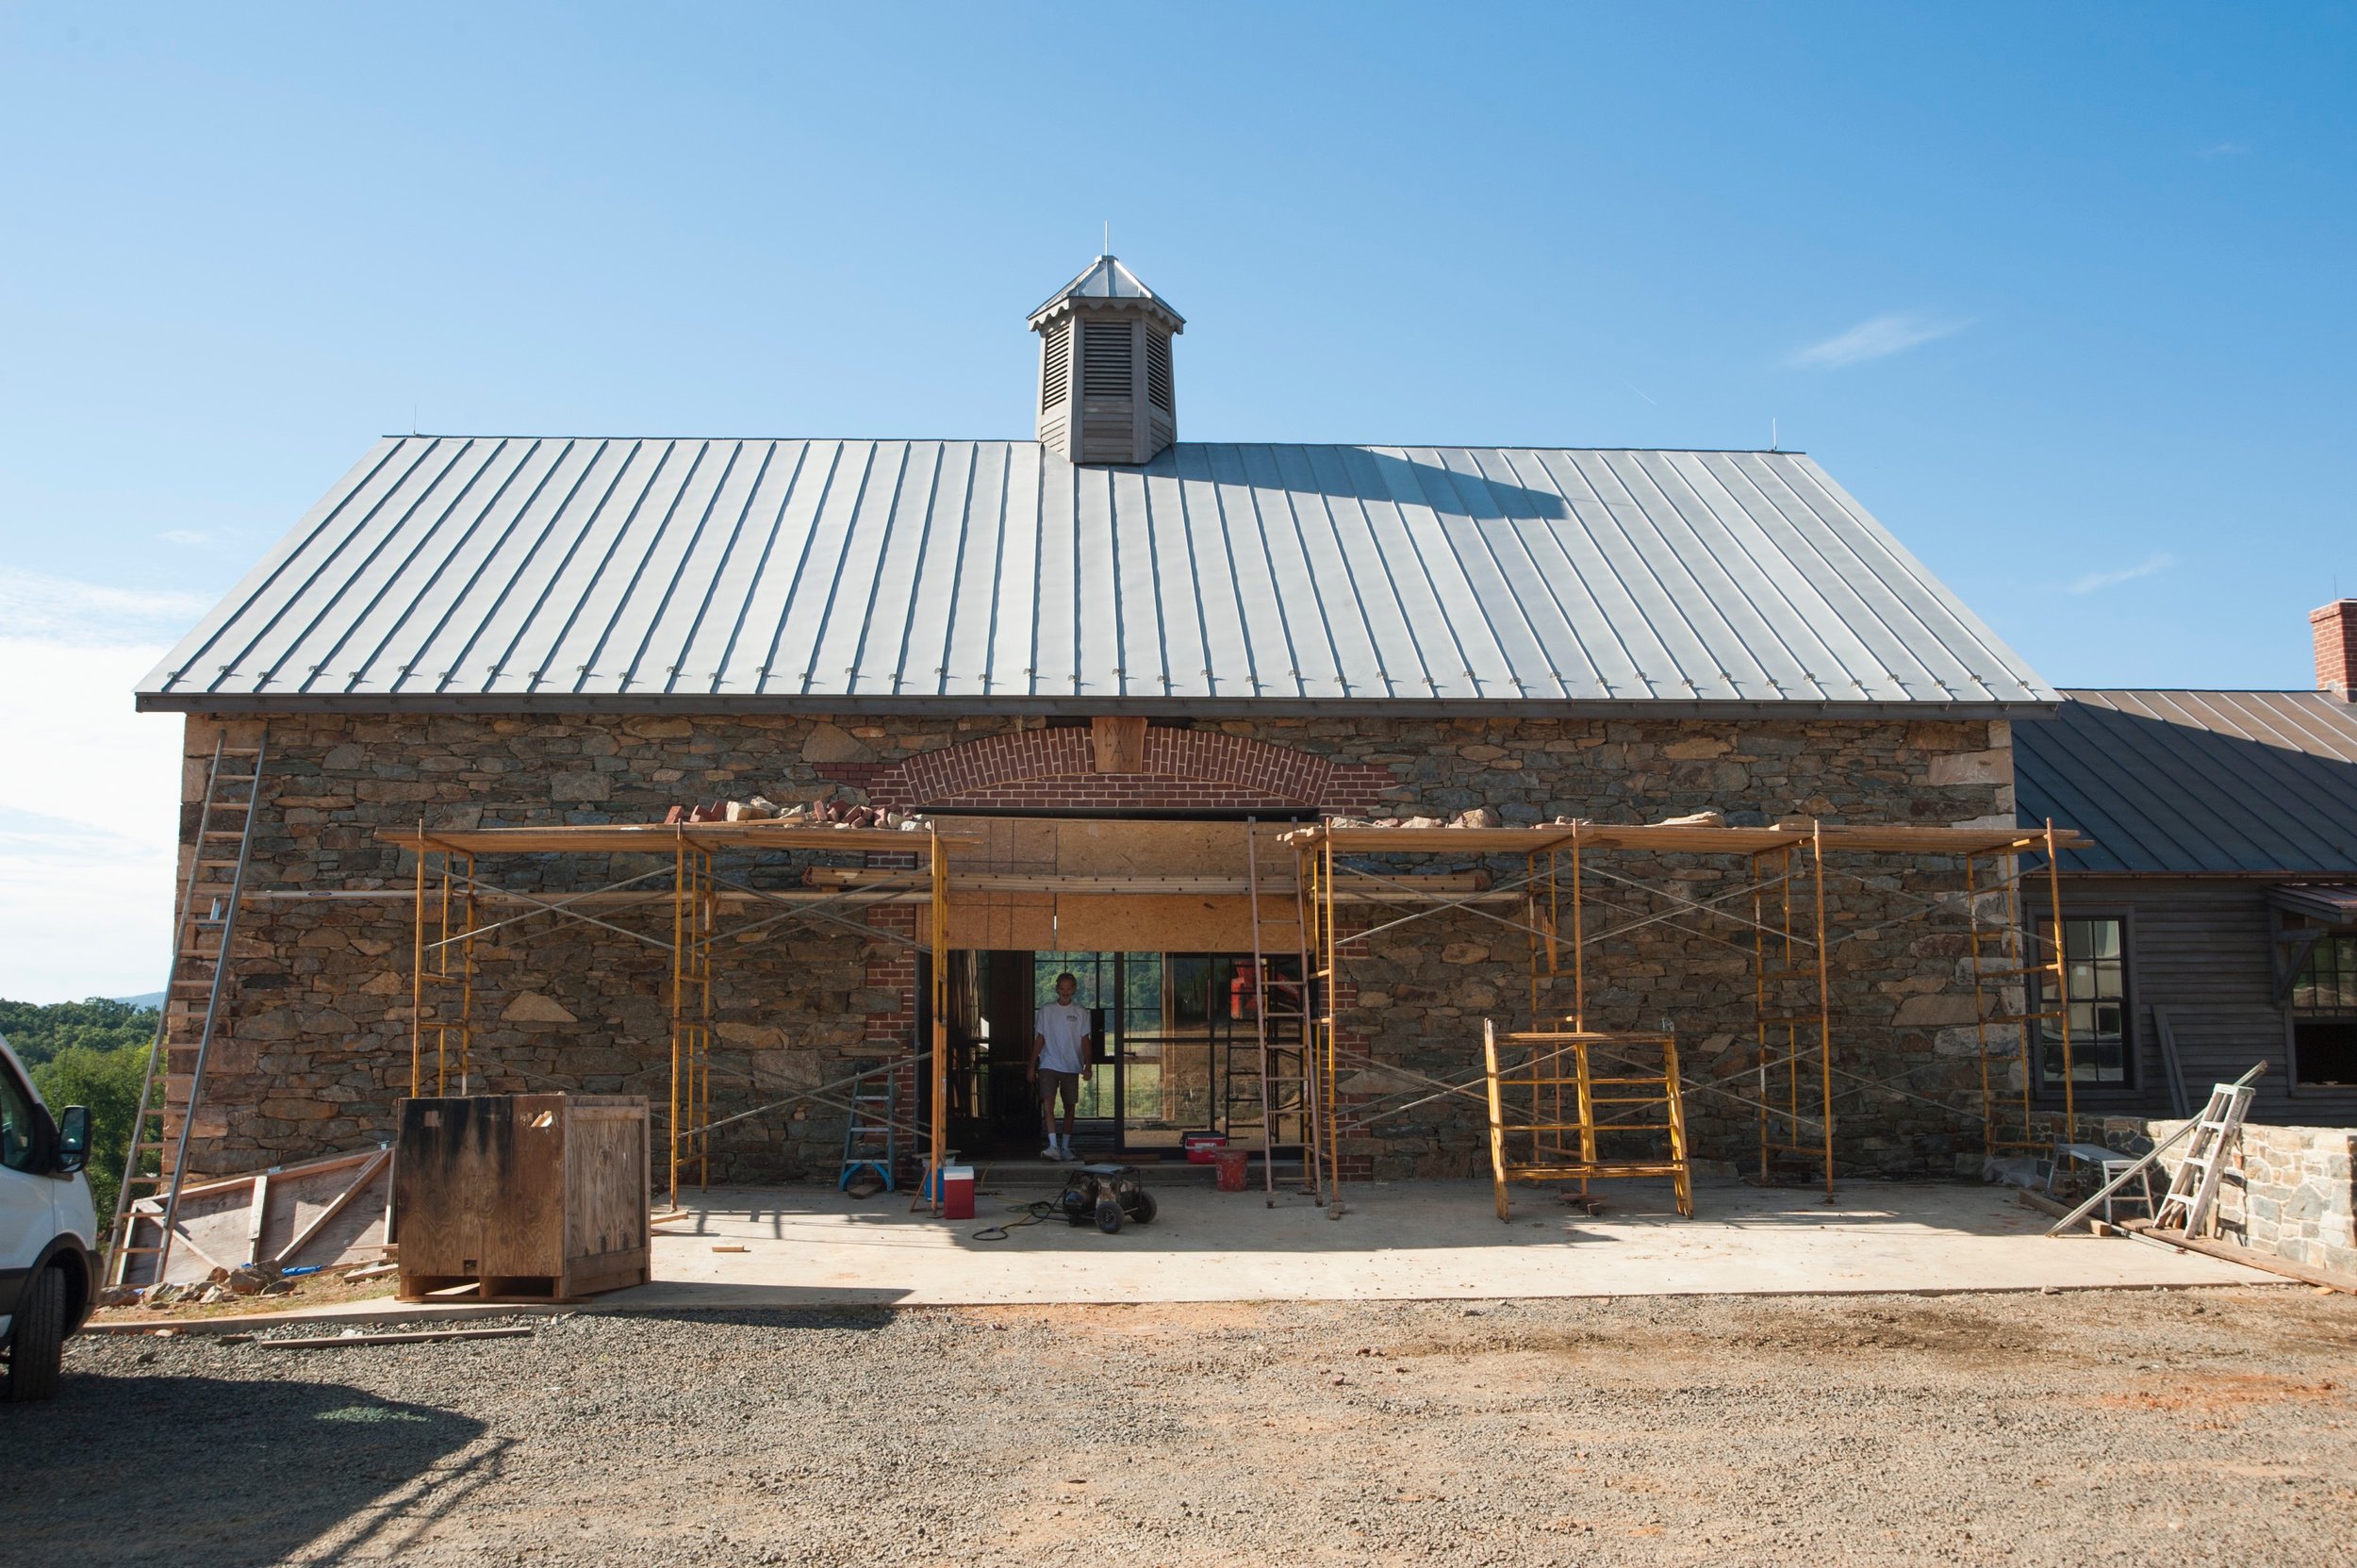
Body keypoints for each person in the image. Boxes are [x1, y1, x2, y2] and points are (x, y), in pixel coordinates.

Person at [1030, 971, 1093, 1161]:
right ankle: (1053, 1145)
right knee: (1048, 1103)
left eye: (1069, 989)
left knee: (1069, 1107)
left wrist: (1088, 1065)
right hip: (1049, 1063)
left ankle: (1065, 1147)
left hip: (1072, 1065)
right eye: (1062, 988)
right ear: (1057, 989)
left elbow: (1085, 1040)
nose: (1065, 992)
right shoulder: (1046, 1010)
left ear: (1073, 989)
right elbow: (1040, 1038)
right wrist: (1032, 1065)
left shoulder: (1081, 1012)